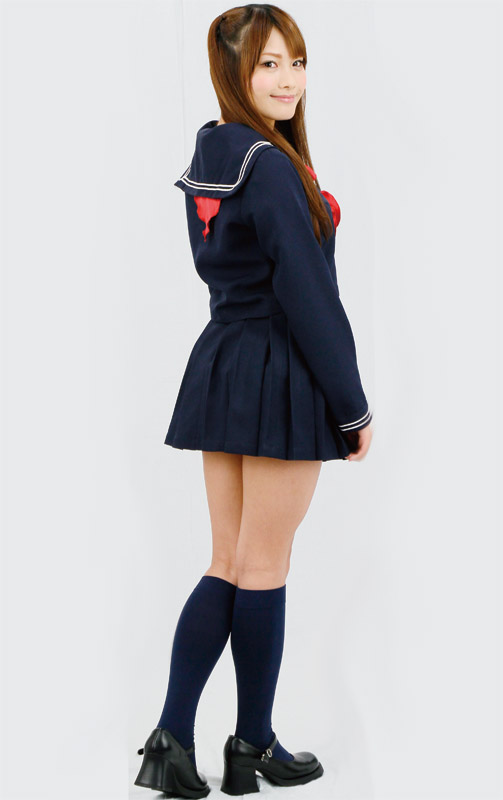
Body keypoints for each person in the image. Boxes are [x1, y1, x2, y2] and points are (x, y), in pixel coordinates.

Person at [134, 4, 374, 797]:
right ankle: (252, 745)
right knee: (261, 566)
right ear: (233, 73)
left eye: (296, 62)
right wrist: (352, 406)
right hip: (280, 370)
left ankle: (172, 741)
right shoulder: (268, 166)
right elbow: (307, 296)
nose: (287, 79)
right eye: (268, 63)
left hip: (224, 363)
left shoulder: (213, 152)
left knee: (230, 562)